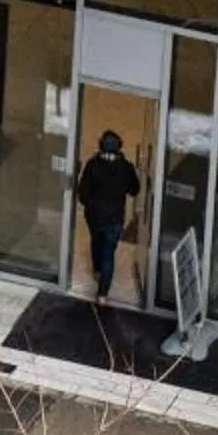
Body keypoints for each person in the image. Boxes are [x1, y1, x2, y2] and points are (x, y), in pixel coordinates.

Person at [76, 130, 138, 304]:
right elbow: (134, 190)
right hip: (115, 218)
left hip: (95, 215)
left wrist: (90, 204)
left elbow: (82, 192)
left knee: (96, 241)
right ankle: (102, 294)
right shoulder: (126, 167)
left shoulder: (92, 165)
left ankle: (97, 270)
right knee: (108, 254)